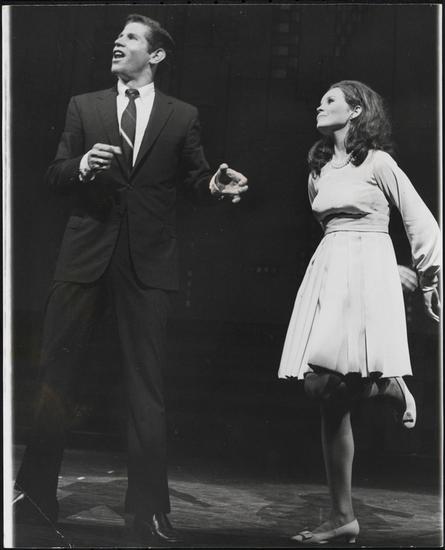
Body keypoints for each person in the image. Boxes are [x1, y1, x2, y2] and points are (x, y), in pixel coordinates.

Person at [14, 13, 248, 545]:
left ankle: (148, 509)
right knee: (56, 376)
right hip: (84, 255)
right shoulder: (84, 106)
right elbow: (55, 172)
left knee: (147, 388)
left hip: (147, 262)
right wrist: (82, 165)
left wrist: (214, 186)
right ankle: (36, 495)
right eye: (118, 36)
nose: (118, 42)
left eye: (132, 38)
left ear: (156, 55)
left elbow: (195, 179)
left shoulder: (181, 115)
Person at [278, 80, 440, 545]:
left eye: (330, 100)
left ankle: (341, 514)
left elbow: (419, 219)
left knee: (333, 392)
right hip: (331, 272)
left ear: (355, 111)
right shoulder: (318, 170)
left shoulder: (379, 163)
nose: (319, 104)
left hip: (368, 275)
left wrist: (427, 277)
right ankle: (343, 513)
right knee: (321, 389)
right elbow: (333, 231)